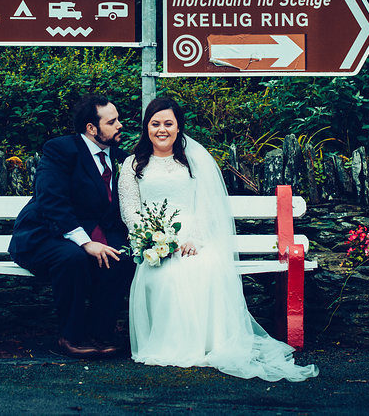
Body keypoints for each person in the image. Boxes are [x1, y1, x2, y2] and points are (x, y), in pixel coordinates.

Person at [118, 97, 319, 381]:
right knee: (163, 277)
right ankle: (170, 344)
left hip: (193, 238)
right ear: (146, 127)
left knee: (203, 267)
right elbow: (130, 211)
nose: (161, 130)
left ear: (178, 127)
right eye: (155, 124)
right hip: (153, 242)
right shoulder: (132, 165)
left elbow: (207, 206)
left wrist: (194, 239)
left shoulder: (192, 162)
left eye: (168, 123)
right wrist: (150, 239)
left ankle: (206, 344)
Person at [9, 94, 135, 358]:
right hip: (45, 235)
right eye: (112, 122)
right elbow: (51, 200)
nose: (120, 125)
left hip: (96, 235)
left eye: (118, 119)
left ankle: (101, 335)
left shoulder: (122, 158)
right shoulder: (61, 150)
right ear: (91, 128)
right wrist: (86, 242)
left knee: (121, 258)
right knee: (74, 258)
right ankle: (72, 337)